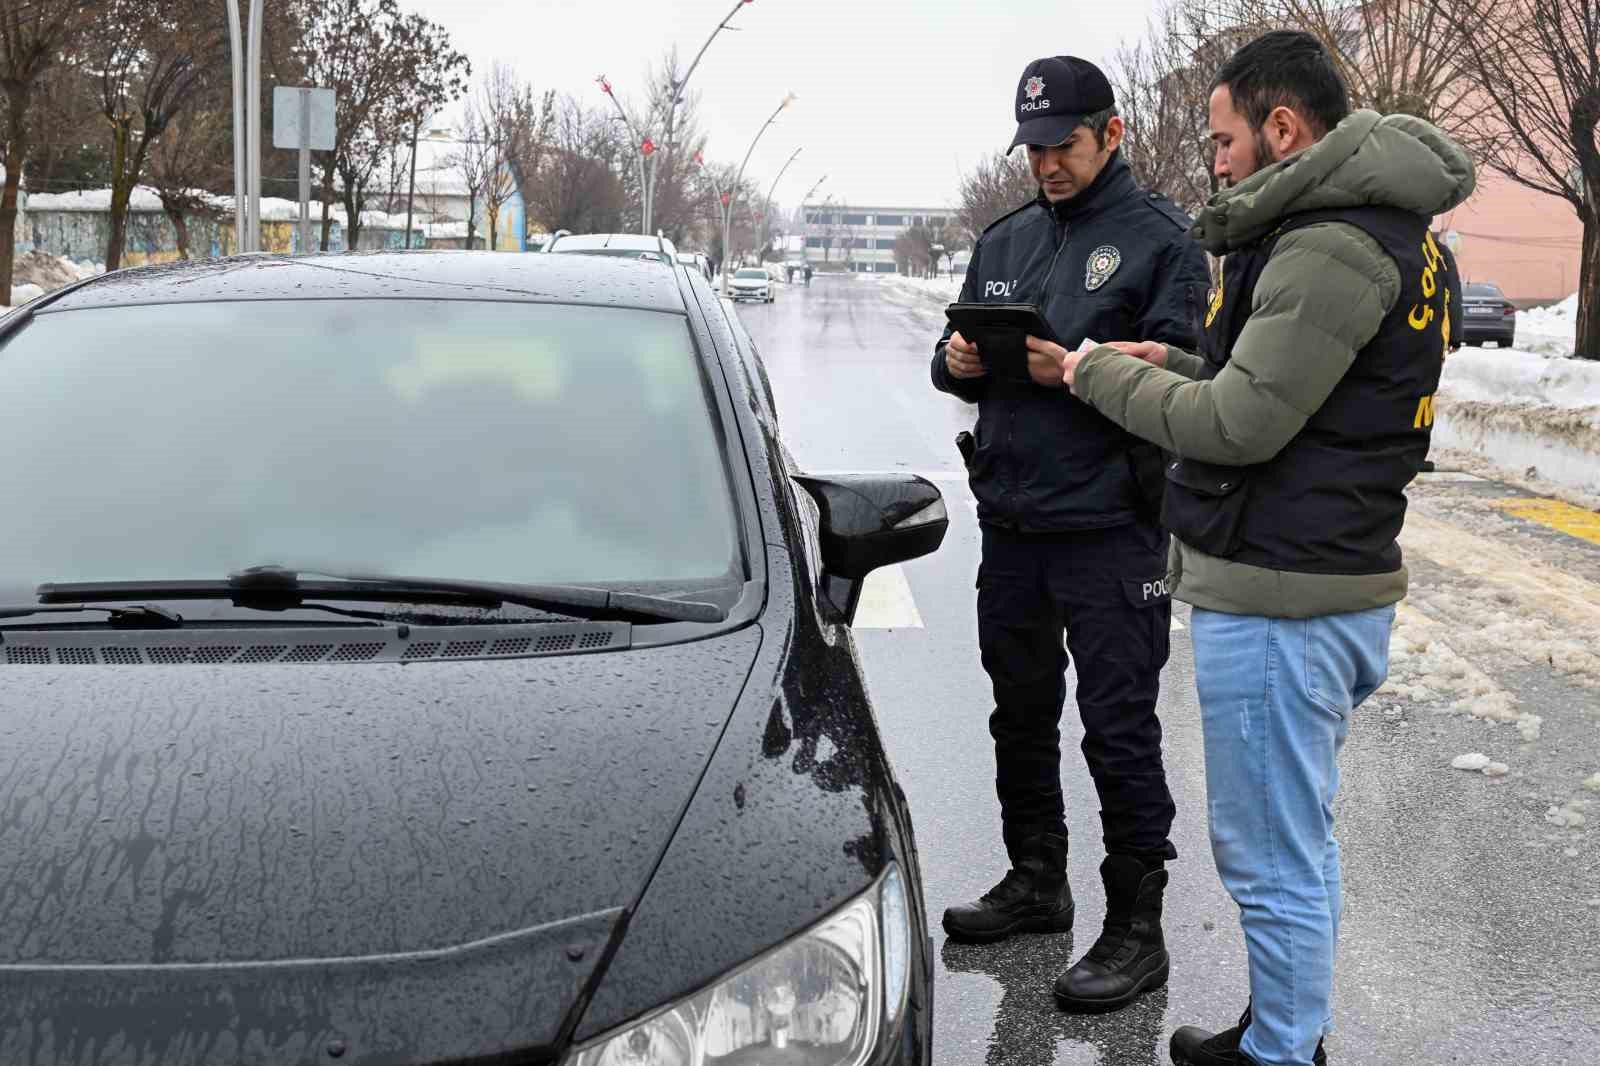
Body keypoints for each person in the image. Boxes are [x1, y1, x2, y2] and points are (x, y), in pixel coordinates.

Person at [1049, 30, 1474, 1065]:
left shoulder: (1328, 242)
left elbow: (1238, 426)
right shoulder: (1389, 228)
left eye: (1224, 136)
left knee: (1269, 857)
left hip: (1287, 596)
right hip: (1325, 578)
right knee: (1300, 843)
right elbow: (1314, 386)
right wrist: (1186, 355)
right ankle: (1284, 1030)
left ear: (1284, 128)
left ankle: (1281, 1054)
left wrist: (1098, 371)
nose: (1217, 159)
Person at [931, 54, 1212, 1014]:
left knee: (1119, 730)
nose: (1046, 164)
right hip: (1013, 520)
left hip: (1111, 528)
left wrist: (1086, 368)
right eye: (1034, 148)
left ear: (1113, 134)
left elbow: (1193, 372)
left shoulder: (1164, 240)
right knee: (1019, 711)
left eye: (1064, 145)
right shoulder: (1005, 238)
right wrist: (959, 358)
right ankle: (1037, 878)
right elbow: (951, 361)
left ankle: (1138, 929)